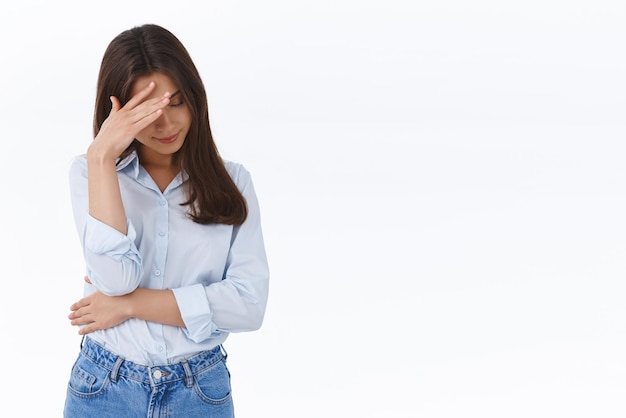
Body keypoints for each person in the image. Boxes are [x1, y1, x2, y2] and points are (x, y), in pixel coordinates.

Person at [63, 24, 270, 418]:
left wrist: (128, 306)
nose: (165, 124)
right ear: (117, 112)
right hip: (105, 385)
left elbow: (248, 305)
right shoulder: (91, 174)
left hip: (199, 389)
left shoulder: (234, 183)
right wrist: (102, 156)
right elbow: (115, 280)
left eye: (175, 103)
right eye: (146, 111)